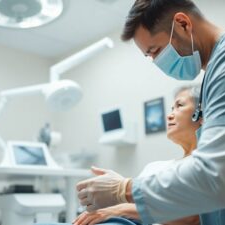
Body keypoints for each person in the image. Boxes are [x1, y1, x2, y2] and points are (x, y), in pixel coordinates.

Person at [76, 1, 225, 225]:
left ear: (183, 24)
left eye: (156, 51)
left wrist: (123, 189)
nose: (156, 61)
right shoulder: (216, 73)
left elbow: (216, 179)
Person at [73, 85, 202, 225]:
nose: (169, 115)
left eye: (180, 106)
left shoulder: (205, 167)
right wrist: (113, 196)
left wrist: (118, 207)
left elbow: (191, 216)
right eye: (172, 109)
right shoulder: (155, 166)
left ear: (202, 114)